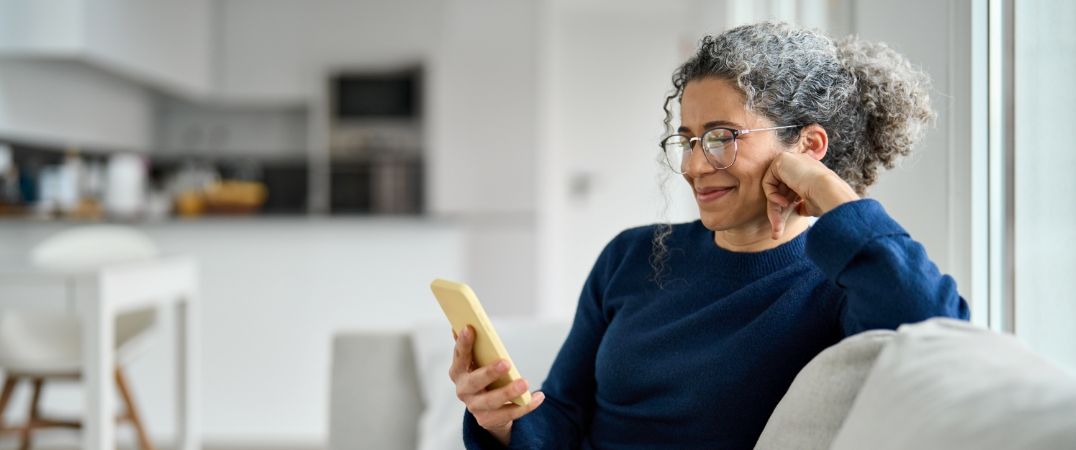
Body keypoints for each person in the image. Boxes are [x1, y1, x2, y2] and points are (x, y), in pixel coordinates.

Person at [449, 21, 970, 449]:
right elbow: (562, 412)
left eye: (722, 138)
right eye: (688, 139)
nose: (695, 165)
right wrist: (501, 424)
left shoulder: (840, 282)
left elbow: (939, 331)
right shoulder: (630, 256)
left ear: (809, 145)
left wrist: (827, 192)